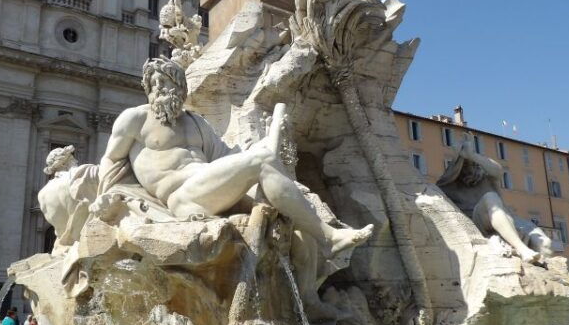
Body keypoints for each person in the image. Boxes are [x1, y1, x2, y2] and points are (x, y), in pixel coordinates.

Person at [90, 57, 373, 258]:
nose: (160, 90)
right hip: (180, 197)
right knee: (261, 161)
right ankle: (329, 238)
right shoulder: (136, 119)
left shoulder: (197, 124)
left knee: (288, 216)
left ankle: (311, 288)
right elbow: (111, 160)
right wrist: (106, 196)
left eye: (167, 83)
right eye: (154, 85)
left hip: (210, 187)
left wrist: (266, 144)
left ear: (181, 88)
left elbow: (226, 159)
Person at [437, 132, 552, 265]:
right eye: (465, 165)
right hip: (479, 223)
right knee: (490, 198)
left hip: (509, 218)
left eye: (473, 164)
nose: (471, 168)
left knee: (546, 244)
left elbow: (498, 170)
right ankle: (522, 249)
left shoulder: (488, 176)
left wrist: (472, 155)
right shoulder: (448, 186)